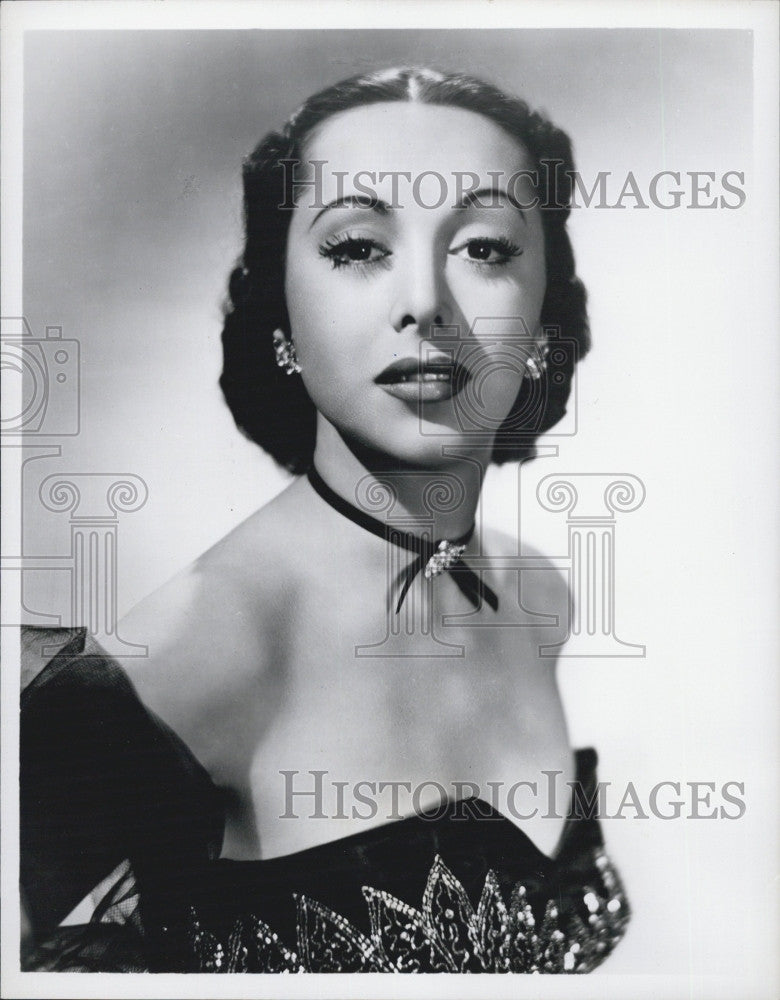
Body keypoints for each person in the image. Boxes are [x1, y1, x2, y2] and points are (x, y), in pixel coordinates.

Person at [20, 66, 630, 973]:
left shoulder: (540, 595)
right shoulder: (169, 673)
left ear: (543, 319)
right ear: (282, 320)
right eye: (356, 247)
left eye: (487, 247)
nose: (425, 303)